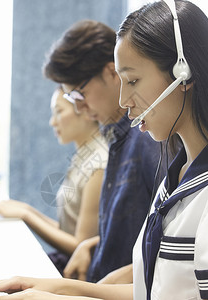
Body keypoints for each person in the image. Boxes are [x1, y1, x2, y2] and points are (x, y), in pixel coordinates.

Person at [0, 1, 208, 299]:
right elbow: (154, 292)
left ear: (183, 73)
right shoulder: (178, 177)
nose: (124, 100)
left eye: (133, 80)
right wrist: (52, 286)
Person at [43, 19, 160, 283]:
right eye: (71, 98)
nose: (79, 107)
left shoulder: (146, 137)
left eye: (80, 94)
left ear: (111, 73)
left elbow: (165, 242)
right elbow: (131, 232)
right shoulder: (117, 139)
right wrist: (93, 245)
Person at [0, 87, 108, 274]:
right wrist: (25, 209)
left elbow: (81, 244)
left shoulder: (99, 164)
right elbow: (69, 230)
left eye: (59, 112)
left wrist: (26, 215)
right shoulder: (85, 155)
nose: (52, 121)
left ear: (84, 108)